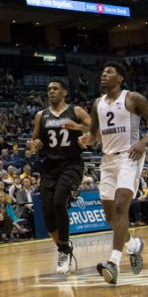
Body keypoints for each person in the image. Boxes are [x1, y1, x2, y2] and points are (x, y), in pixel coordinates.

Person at [84, 61, 148, 285]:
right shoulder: (97, 103)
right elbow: (94, 135)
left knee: (121, 206)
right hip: (107, 160)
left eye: (109, 72)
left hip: (130, 156)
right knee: (111, 217)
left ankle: (114, 262)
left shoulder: (132, 98)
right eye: (102, 72)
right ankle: (133, 245)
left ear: (120, 79)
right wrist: (85, 139)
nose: (103, 75)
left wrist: (143, 141)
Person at [27, 80, 91, 275]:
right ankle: (64, 247)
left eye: (55, 89)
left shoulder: (76, 111)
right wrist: (35, 144)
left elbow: (94, 128)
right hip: (49, 166)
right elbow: (33, 141)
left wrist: (78, 128)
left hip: (71, 163)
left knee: (58, 202)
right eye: (48, 89)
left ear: (65, 92)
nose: (51, 92)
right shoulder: (41, 115)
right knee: (47, 214)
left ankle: (63, 252)